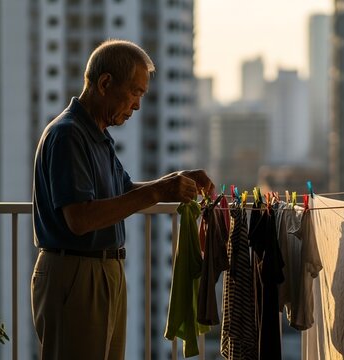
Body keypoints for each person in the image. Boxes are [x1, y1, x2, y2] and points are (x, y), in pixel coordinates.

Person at [30, 39, 214, 360]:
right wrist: (158, 191)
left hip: (103, 273)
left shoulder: (97, 135)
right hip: (77, 274)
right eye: (135, 93)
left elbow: (124, 191)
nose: (138, 105)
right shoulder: (68, 135)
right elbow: (80, 219)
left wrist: (171, 182)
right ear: (105, 84)